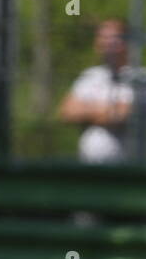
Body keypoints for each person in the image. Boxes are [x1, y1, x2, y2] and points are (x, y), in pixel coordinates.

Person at [58, 17, 135, 164]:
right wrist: (104, 110)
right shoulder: (90, 76)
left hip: (126, 172)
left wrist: (86, 109)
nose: (106, 43)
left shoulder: (139, 77)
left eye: (113, 38)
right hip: (89, 171)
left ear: (126, 42)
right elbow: (66, 111)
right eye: (102, 38)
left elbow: (121, 115)